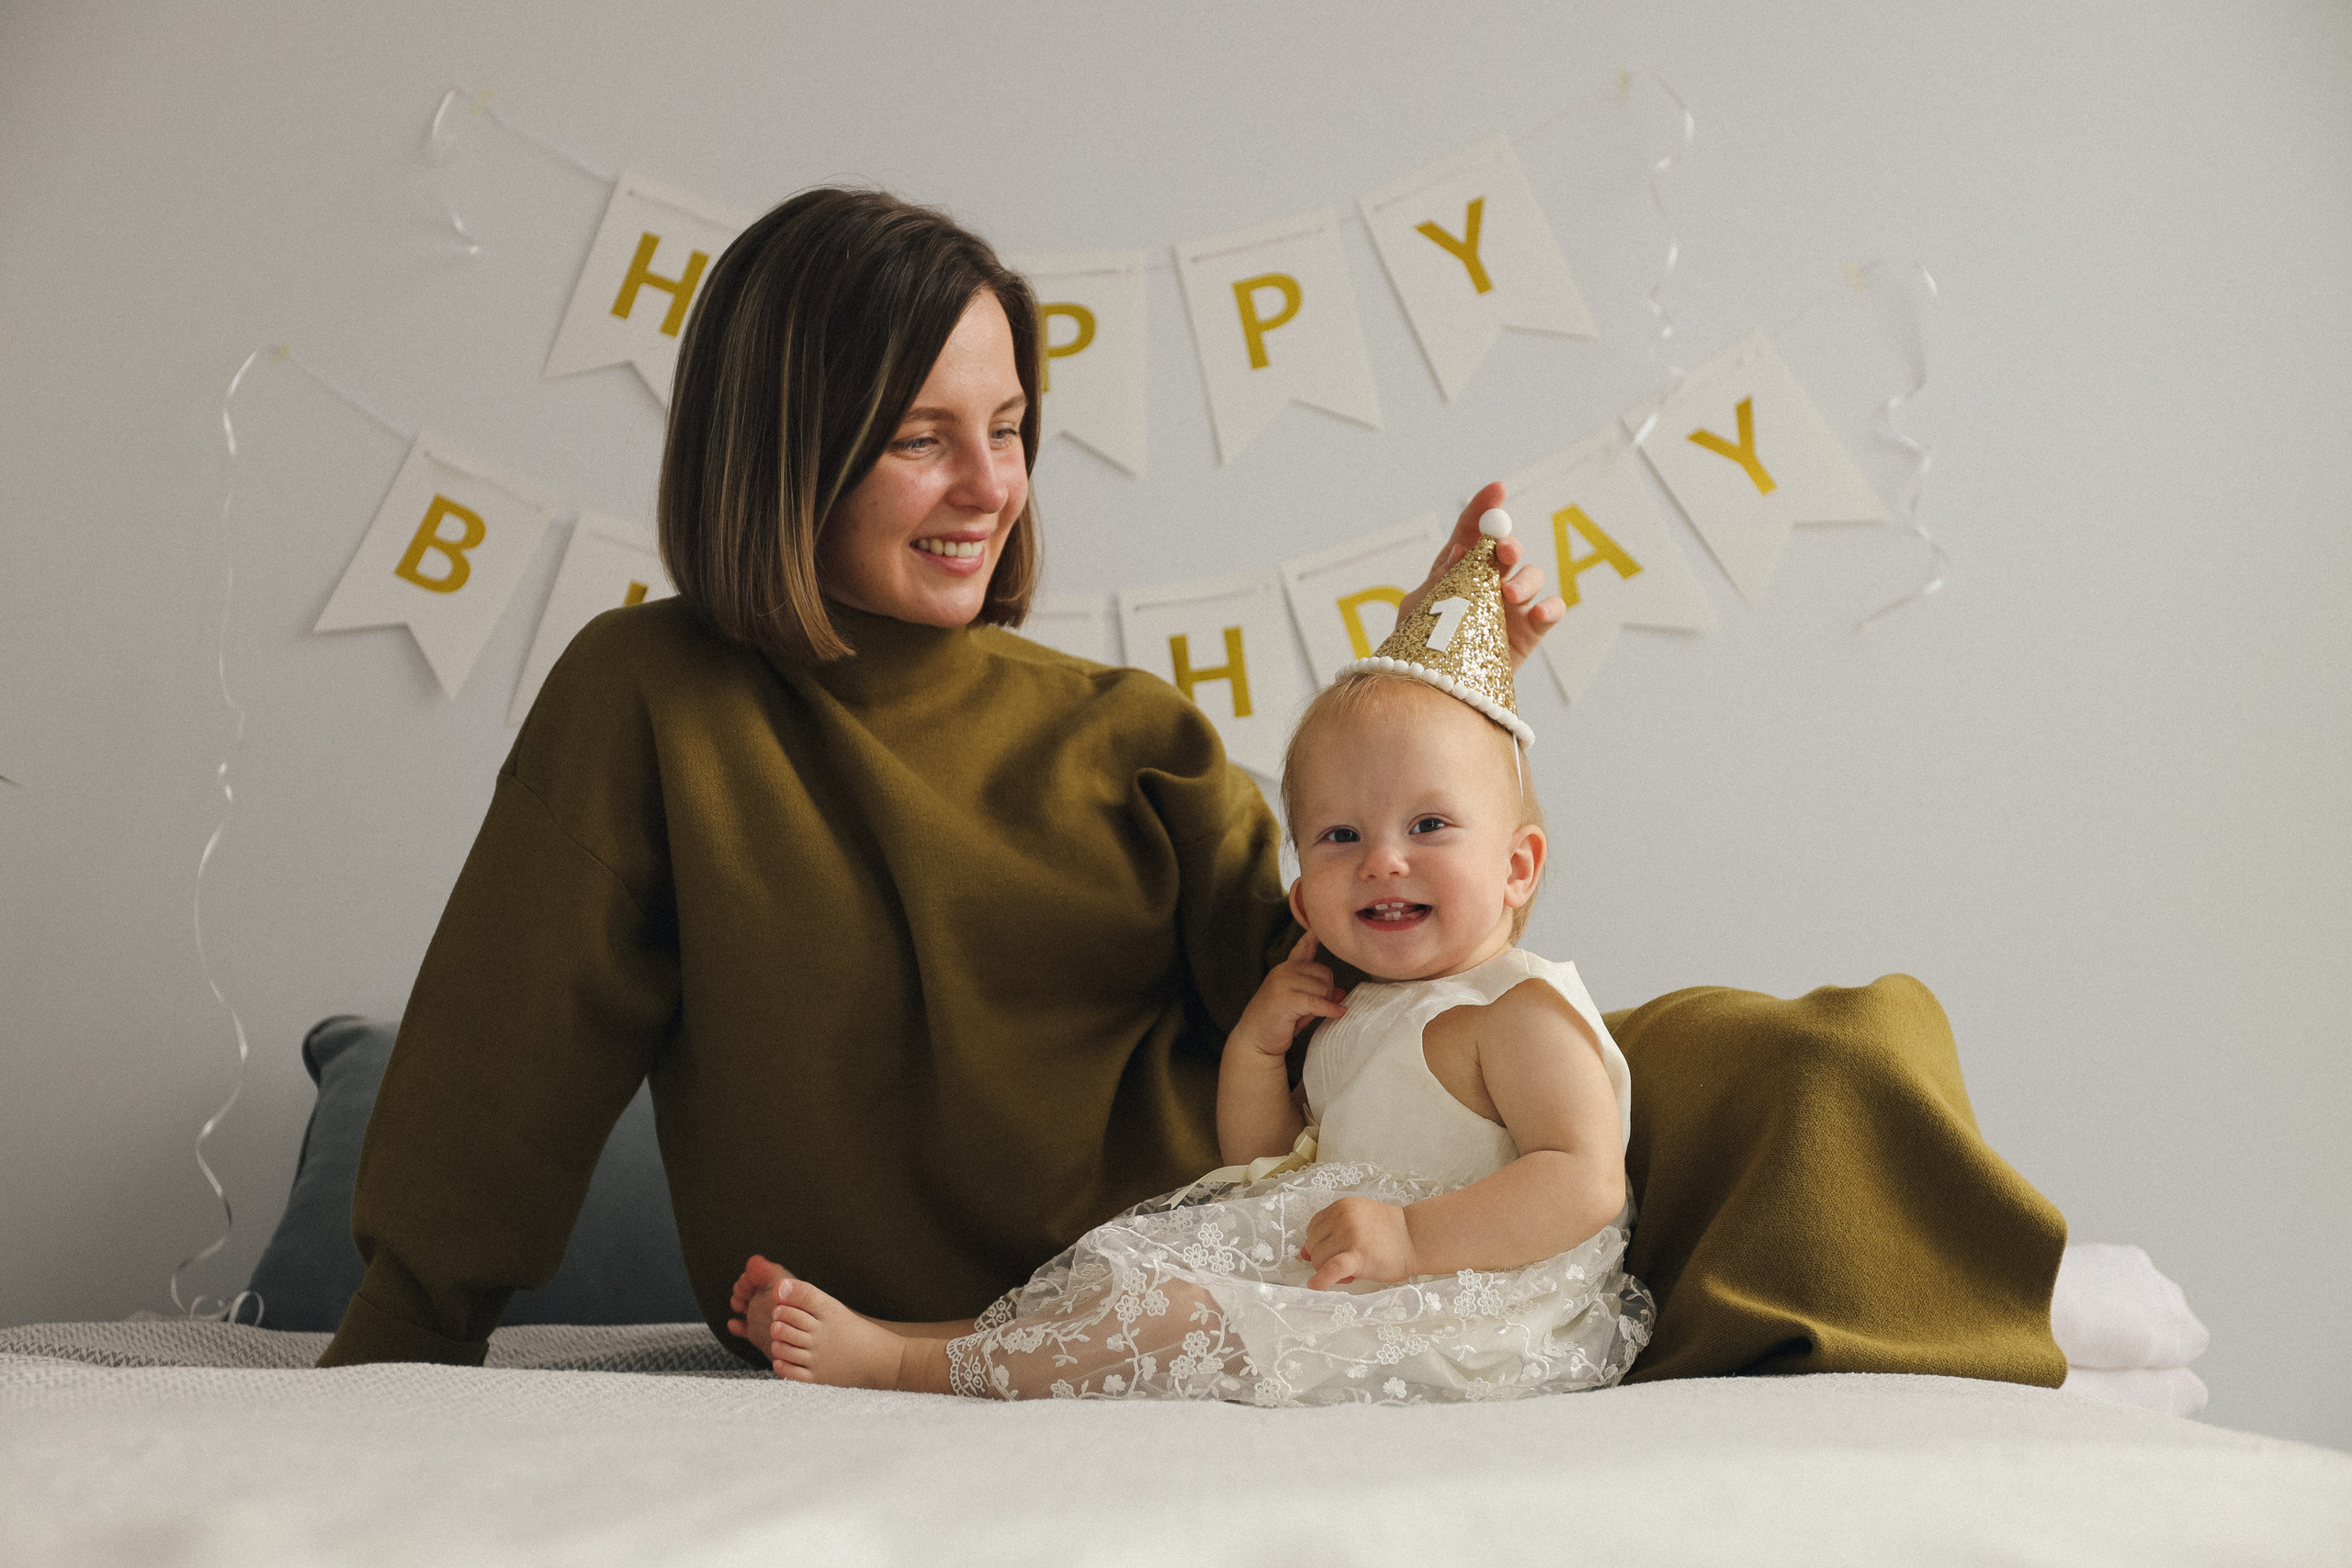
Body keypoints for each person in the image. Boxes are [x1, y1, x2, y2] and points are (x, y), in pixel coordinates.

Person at [322, 186, 2068, 1392]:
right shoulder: (653, 697)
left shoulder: (1122, 730)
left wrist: (1439, 701)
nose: (988, 485)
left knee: (1823, 1058)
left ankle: (1972, 1319)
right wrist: (401, 1340)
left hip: (1298, 1229)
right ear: (781, 444)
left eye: (1011, 427)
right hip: (1094, 1288)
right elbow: (508, 1046)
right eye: (921, 435)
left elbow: (1373, 971)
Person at [730, 522, 1657, 1404]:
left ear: (1517, 866)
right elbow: (1263, 1166)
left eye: (1428, 825)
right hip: (1353, 1268)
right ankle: (925, 1335)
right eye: (1339, 836)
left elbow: (1583, 1179)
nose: (1382, 859)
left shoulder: (1517, 1012)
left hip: (1471, 1302)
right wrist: (1257, 1049)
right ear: (1304, 900)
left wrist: (1413, 1238)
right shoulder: (1361, 1009)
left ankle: (910, 1366)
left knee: (1181, 1314)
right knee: (1137, 1284)